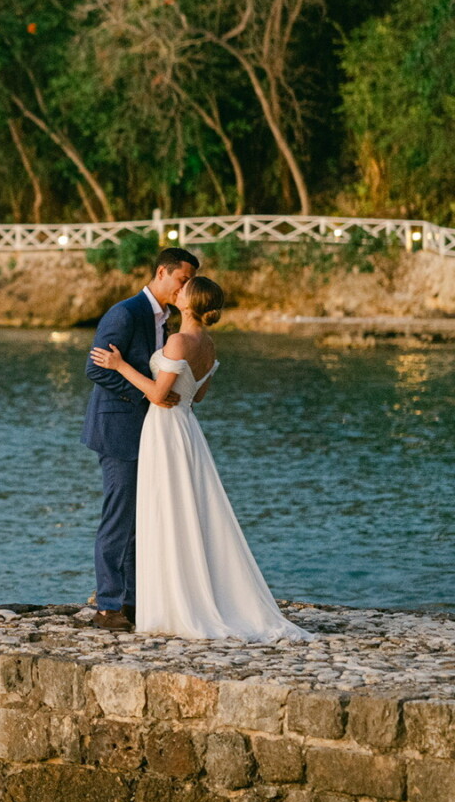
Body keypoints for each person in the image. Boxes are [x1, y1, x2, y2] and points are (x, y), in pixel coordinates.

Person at [90, 277, 310, 641]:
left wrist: (119, 365)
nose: (179, 291)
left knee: (166, 511)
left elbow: (160, 396)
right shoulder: (207, 343)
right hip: (188, 429)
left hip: (164, 429)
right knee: (185, 510)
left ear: (190, 304)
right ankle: (171, 595)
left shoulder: (177, 340)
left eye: (185, 289)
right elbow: (199, 393)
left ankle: (166, 600)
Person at [82, 247, 199, 632]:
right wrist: (148, 395)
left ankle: (131, 601)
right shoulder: (125, 312)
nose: (186, 287)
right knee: (118, 517)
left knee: (139, 517)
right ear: (162, 272)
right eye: (183, 280)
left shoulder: (165, 321)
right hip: (118, 429)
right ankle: (108, 605)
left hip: (151, 432)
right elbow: (95, 368)